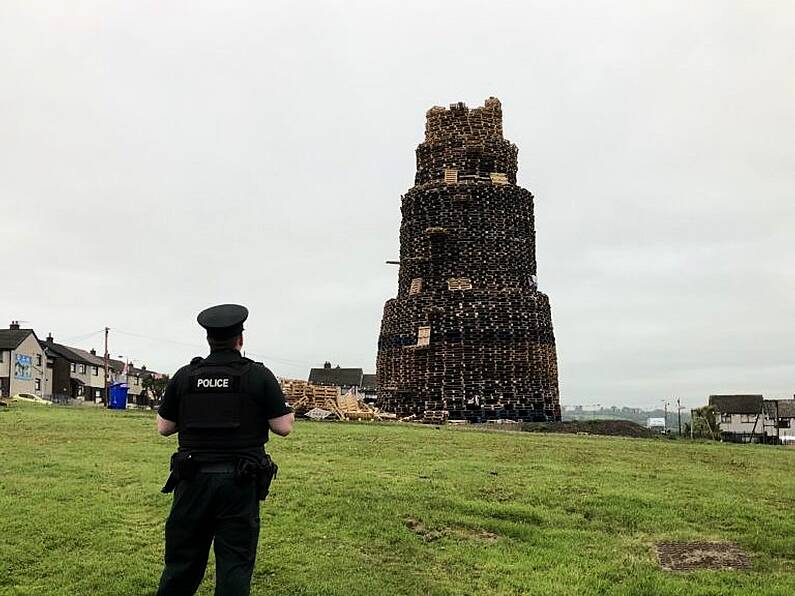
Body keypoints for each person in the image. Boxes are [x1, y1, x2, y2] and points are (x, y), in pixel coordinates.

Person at [155, 304, 294, 596]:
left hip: (192, 482)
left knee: (182, 563)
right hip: (239, 483)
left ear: (208, 339)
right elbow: (283, 427)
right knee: (234, 564)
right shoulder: (258, 376)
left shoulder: (185, 376)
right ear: (240, 339)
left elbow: (164, 427)